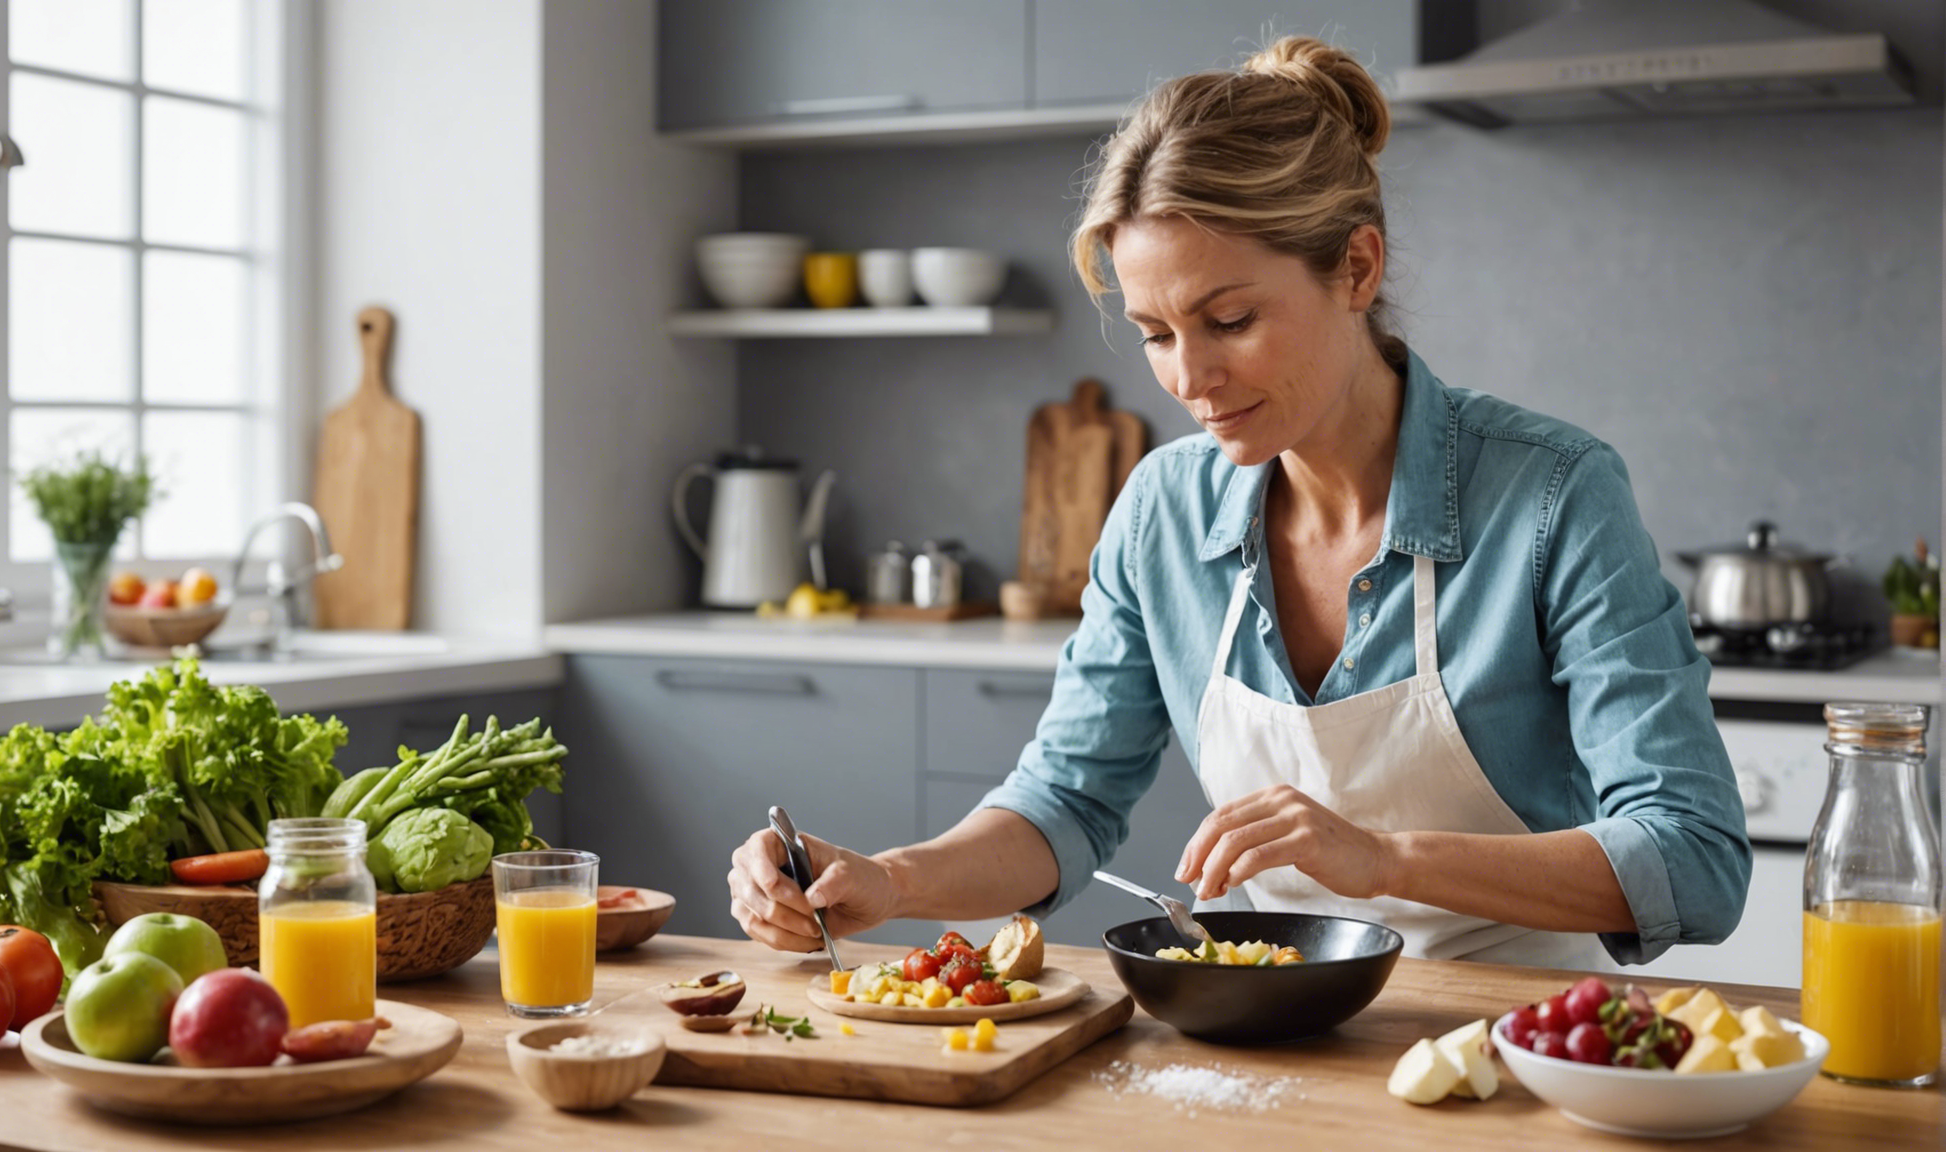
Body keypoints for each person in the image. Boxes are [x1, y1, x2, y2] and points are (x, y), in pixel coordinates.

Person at [726, 36, 1749, 969]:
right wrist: (893, 880)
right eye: (1156, 334)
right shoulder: (1164, 512)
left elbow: (1695, 860)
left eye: (1229, 318)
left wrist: (1383, 858)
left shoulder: (1553, 496)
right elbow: (1065, 802)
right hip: (1282, 1035)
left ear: (1356, 265)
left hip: (1522, 1041)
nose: (1188, 378)